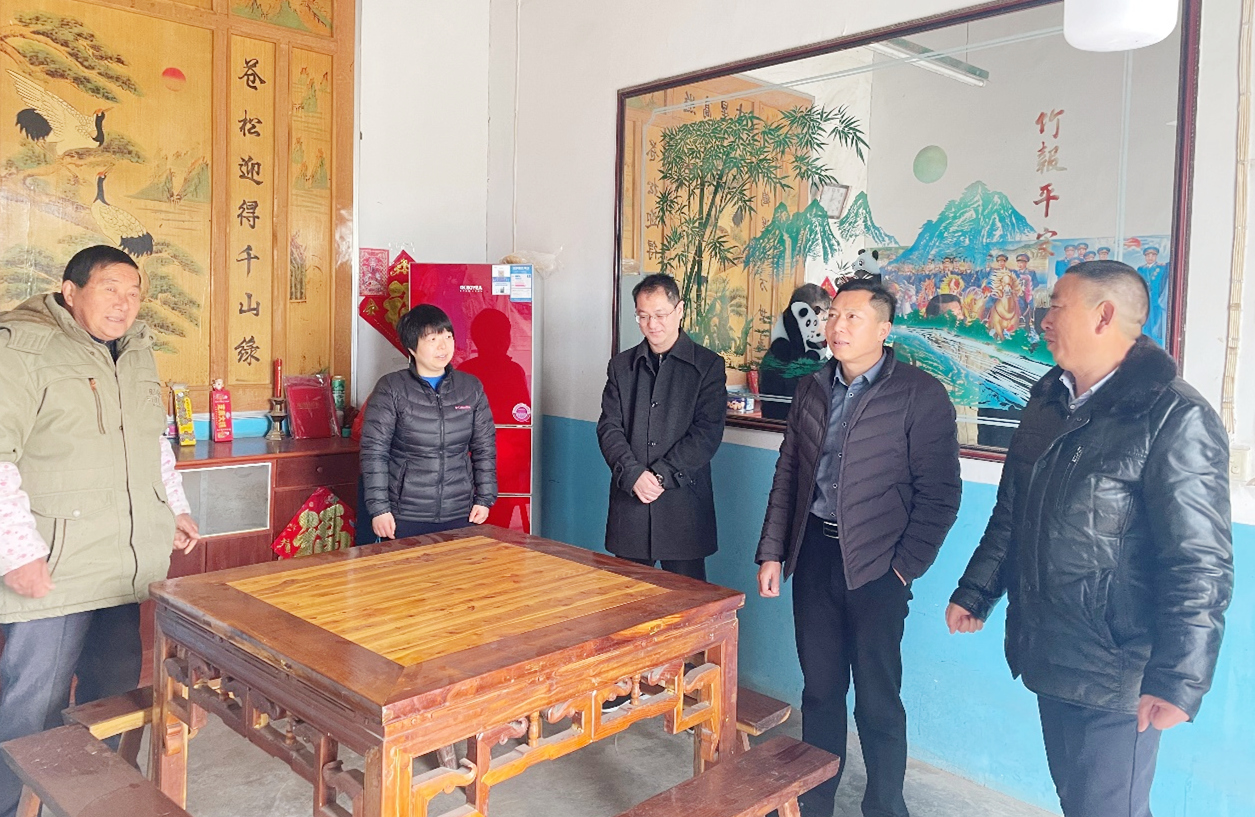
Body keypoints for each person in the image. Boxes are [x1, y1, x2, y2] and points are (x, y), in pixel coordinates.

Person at [946, 261, 1233, 817]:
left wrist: (1178, 679)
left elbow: (1199, 562)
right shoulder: (1050, 400)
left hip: (1117, 666)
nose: (1044, 319)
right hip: (1050, 648)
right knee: (1079, 802)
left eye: (1057, 306)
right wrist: (976, 591)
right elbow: (1013, 512)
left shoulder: (1173, 414)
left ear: (1104, 316)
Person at [0, 245, 200, 817]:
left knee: (110, 697)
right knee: (32, 706)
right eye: (110, 288)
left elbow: (151, 440)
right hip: (54, 564)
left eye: (134, 292)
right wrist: (16, 552)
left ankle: (88, 803)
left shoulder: (136, 351)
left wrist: (173, 507)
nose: (124, 303)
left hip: (120, 564)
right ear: (70, 292)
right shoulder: (23, 348)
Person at [756, 279, 962, 817]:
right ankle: (814, 803)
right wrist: (773, 551)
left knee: (877, 701)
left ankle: (886, 807)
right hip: (814, 557)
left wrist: (903, 569)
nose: (837, 326)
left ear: (884, 329)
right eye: (833, 315)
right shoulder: (812, 387)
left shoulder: (919, 393)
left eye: (852, 317)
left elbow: (941, 493)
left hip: (878, 567)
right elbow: (789, 473)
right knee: (820, 692)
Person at [597, 272, 726, 581]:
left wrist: (659, 476)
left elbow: (706, 434)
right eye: (643, 316)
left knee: (689, 602)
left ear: (679, 310)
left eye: (660, 315)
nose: (652, 324)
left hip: (683, 508)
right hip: (632, 504)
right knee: (626, 599)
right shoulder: (621, 366)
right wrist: (633, 475)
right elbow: (609, 428)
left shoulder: (707, 366)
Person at [360, 304, 497, 540]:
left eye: (448, 337)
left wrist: (484, 498)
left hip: (460, 510)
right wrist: (379, 509)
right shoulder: (391, 388)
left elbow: (484, 448)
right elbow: (374, 452)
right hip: (406, 513)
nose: (443, 346)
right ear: (411, 348)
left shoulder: (470, 387)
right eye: (433, 339)